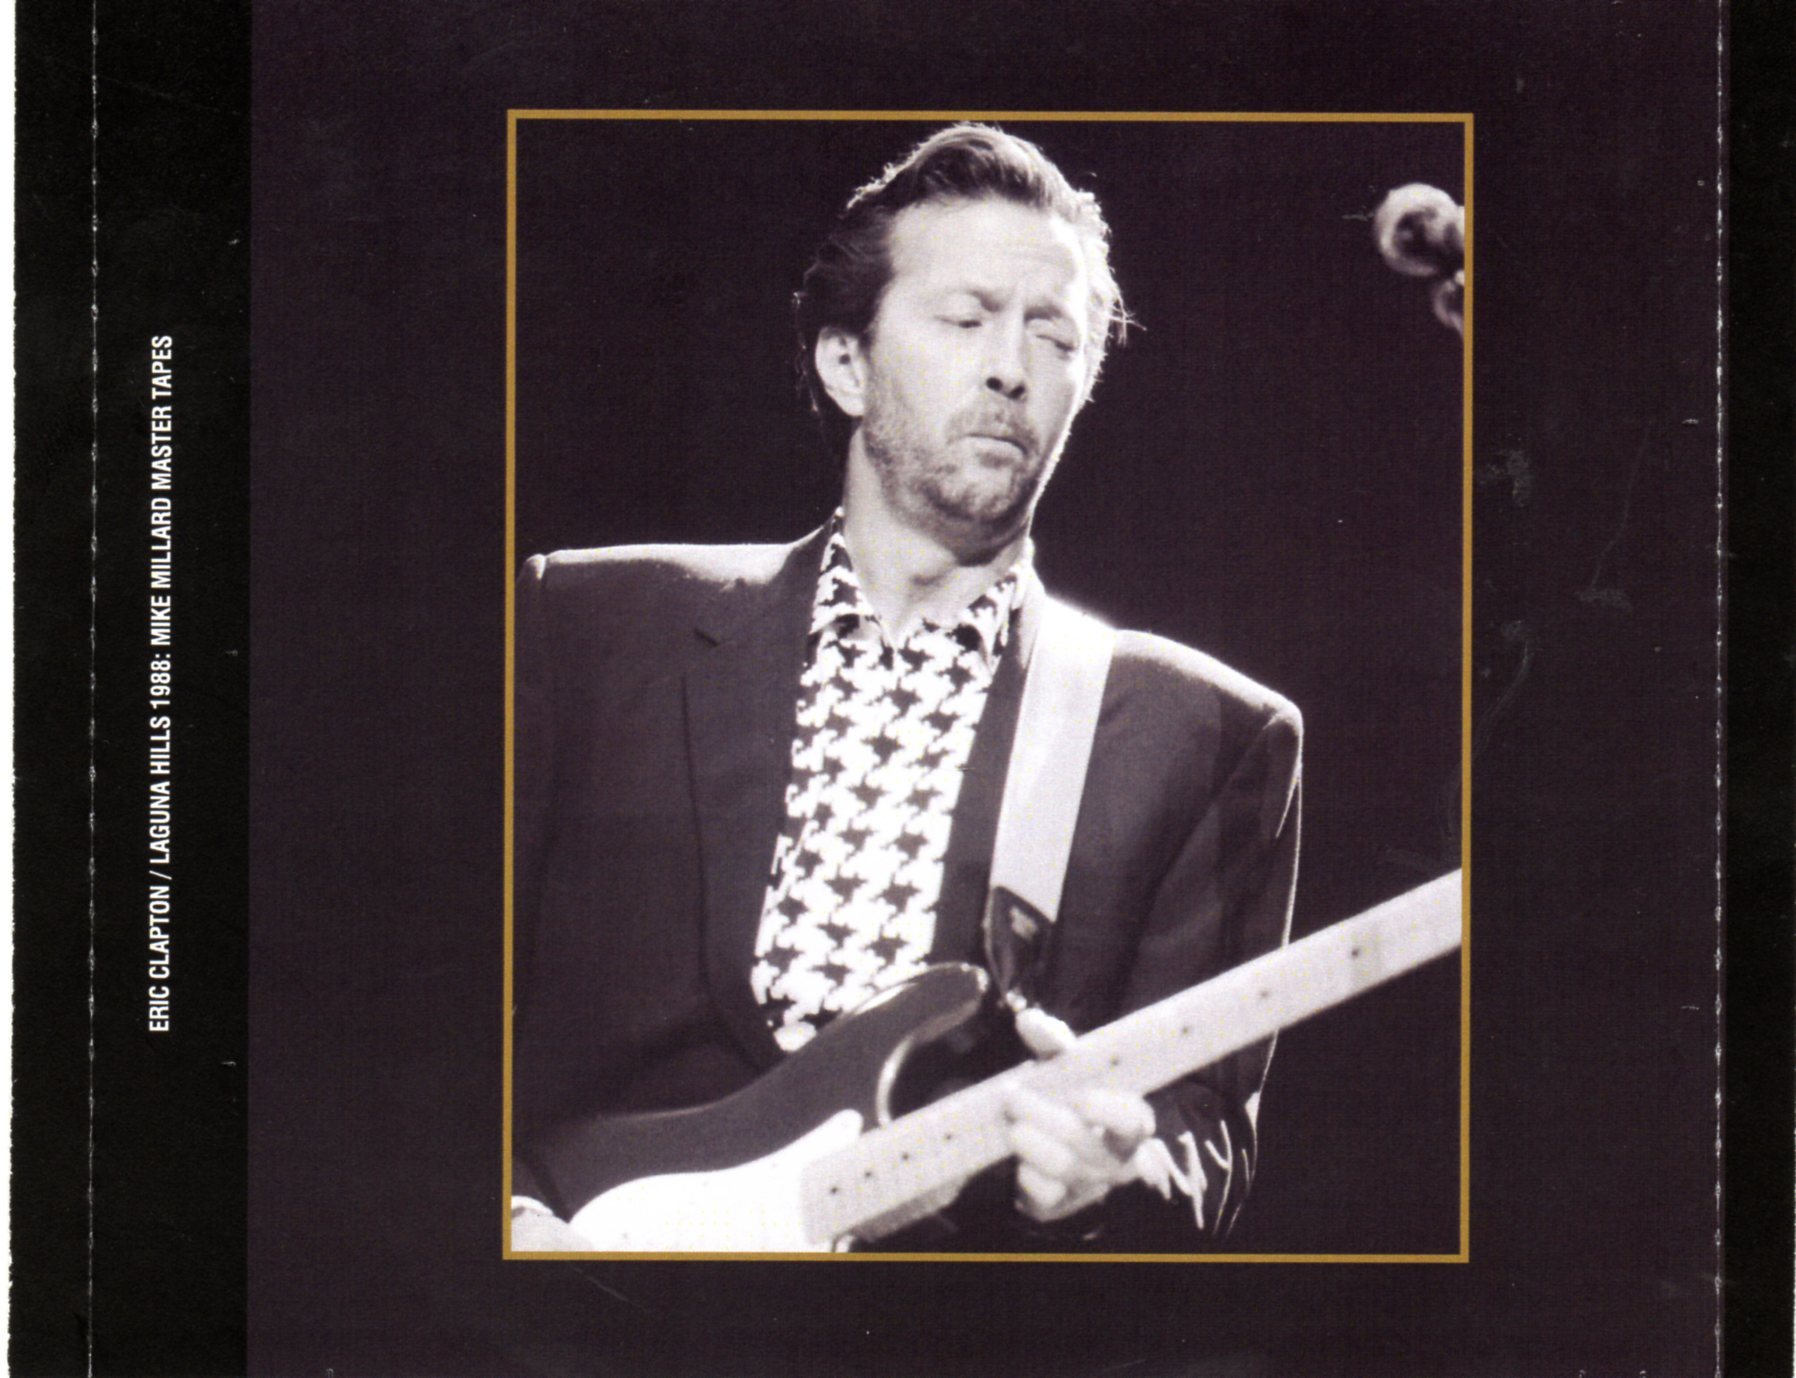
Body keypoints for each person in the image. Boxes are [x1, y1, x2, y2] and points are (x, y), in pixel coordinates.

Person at [509, 124, 1302, 1252]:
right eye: (967, 318)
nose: (1011, 368)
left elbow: (1202, 1131)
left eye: (1054, 335)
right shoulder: (591, 623)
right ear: (846, 363)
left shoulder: (1201, 733)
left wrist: (1112, 1174)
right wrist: (505, 1228)